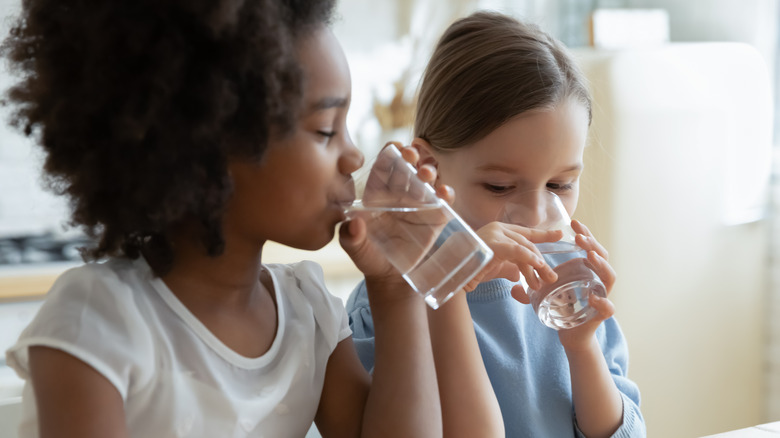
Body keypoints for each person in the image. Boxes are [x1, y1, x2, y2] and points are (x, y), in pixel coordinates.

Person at [2, 1, 503, 437]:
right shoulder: (102, 321)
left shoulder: (308, 314)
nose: (354, 157)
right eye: (327, 130)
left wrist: (394, 289)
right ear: (209, 145)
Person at [347, 11, 646, 438]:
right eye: (500, 186)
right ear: (429, 171)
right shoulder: (392, 301)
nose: (538, 214)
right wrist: (448, 272)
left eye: (560, 184)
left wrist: (581, 350)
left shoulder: (568, 299)